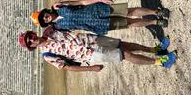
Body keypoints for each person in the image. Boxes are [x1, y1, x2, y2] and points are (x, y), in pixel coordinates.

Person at [18, 27, 176, 72]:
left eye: (29, 37)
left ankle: (155, 49)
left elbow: (66, 21)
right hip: (91, 54)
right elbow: (67, 67)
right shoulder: (46, 56)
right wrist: (91, 68)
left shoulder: (49, 30)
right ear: (31, 47)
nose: (32, 40)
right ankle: (160, 62)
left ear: (32, 33)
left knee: (124, 44)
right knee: (124, 55)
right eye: (29, 42)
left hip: (92, 39)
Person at [30, 0, 169, 35]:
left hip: (98, 10)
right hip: (97, 25)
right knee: (129, 23)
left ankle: (156, 12)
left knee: (129, 11)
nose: (45, 18)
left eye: (43, 15)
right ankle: (155, 23)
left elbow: (81, 2)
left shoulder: (59, 7)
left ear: (44, 11)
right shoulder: (58, 27)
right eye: (43, 20)